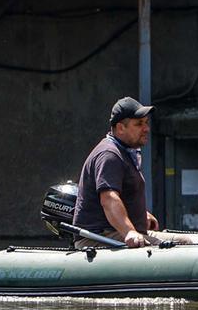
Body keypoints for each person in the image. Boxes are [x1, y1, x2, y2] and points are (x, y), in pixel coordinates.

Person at [71, 96, 186, 249]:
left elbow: (122, 194)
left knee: (185, 242)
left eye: (146, 123)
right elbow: (109, 199)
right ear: (120, 128)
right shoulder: (109, 155)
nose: (146, 128)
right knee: (174, 248)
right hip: (100, 237)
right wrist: (129, 231)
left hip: (117, 233)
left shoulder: (125, 152)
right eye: (139, 124)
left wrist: (138, 214)